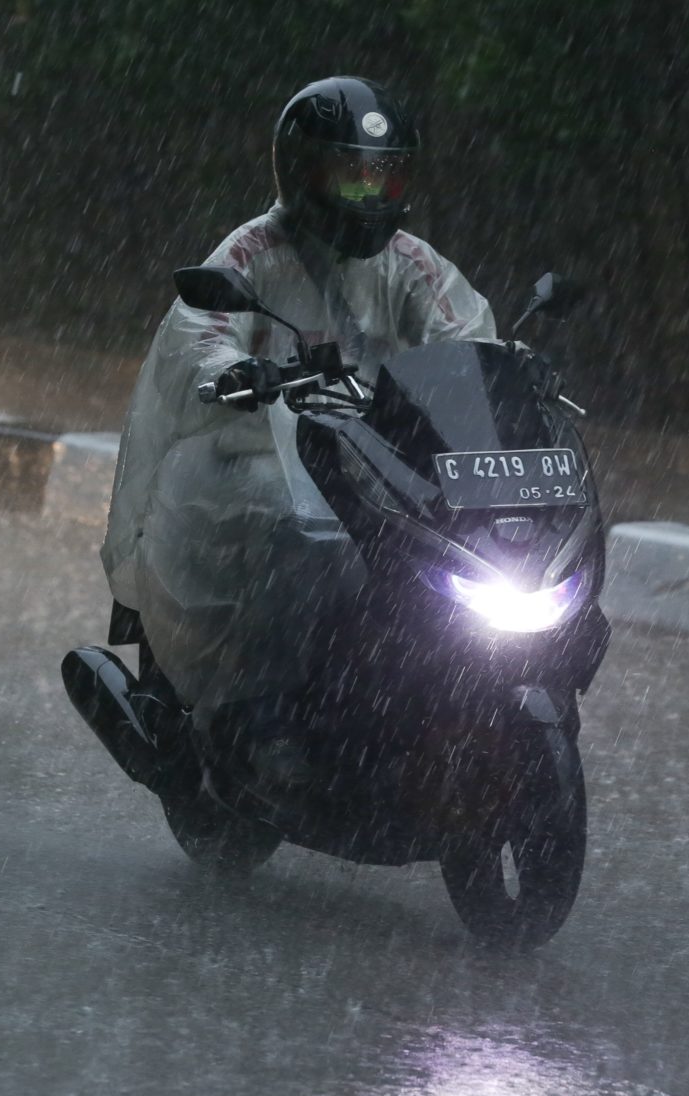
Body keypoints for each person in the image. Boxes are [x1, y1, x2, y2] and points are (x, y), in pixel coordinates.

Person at [100, 77, 496, 790]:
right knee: (298, 535)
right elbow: (200, 335)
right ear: (303, 168)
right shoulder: (253, 252)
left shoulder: (411, 263)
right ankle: (263, 710)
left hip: (373, 456)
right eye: (352, 175)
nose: (371, 195)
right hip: (256, 452)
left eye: (386, 177)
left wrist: (504, 371)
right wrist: (239, 374)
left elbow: (465, 332)